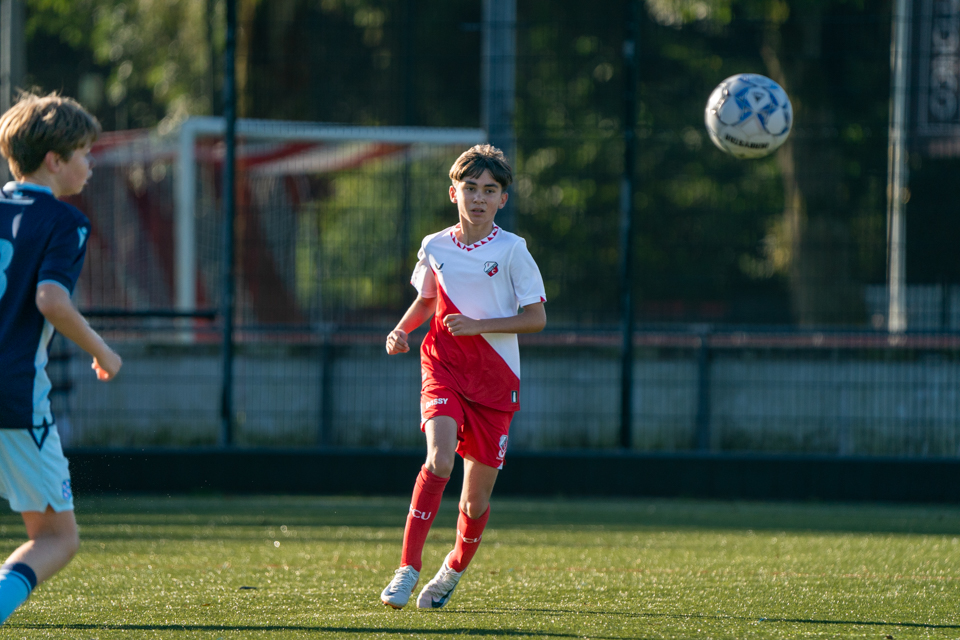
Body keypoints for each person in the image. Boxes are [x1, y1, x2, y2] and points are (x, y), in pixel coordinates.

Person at [380, 144, 546, 610]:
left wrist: (479, 326)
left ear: (502, 200)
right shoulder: (435, 245)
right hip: (444, 365)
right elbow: (428, 299)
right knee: (439, 460)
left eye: (489, 190)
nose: (478, 198)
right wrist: (401, 329)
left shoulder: (513, 250)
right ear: (453, 192)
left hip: (495, 381)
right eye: (470, 188)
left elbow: (536, 318)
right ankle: (407, 567)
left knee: (474, 503)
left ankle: (451, 570)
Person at [0, 91, 122, 625]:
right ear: (54, 160)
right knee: (56, 537)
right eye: (84, 153)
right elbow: (50, 299)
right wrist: (104, 351)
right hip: (13, 398)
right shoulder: (64, 221)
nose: (90, 164)